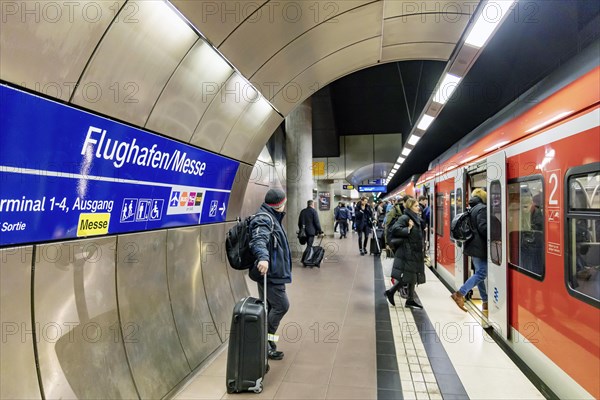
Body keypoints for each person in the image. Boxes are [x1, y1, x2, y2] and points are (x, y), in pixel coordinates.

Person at [249, 188, 292, 360]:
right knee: (282, 306)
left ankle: (268, 343)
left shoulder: (272, 216)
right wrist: (263, 258)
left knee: (269, 308)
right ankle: (265, 341)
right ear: (279, 204)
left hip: (272, 272)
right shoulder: (264, 218)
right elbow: (259, 239)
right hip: (270, 273)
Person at [451, 188, 488, 313]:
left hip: (472, 245)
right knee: (482, 273)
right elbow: (483, 228)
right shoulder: (482, 208)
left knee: (479, 273)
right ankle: (460, 294)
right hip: (480, 247)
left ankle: (485, 300)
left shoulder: (471, 208)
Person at [385, 198, 425, 309]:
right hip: (407, 251)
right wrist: (408, 228)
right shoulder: (405, 217)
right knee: (408, 275)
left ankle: (410, 299)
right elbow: (395, 229)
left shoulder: (415, 217)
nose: (419, 207)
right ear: (410, 206)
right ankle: (391, 292)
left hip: (414, 251)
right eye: (416, 205)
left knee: (413, 275)